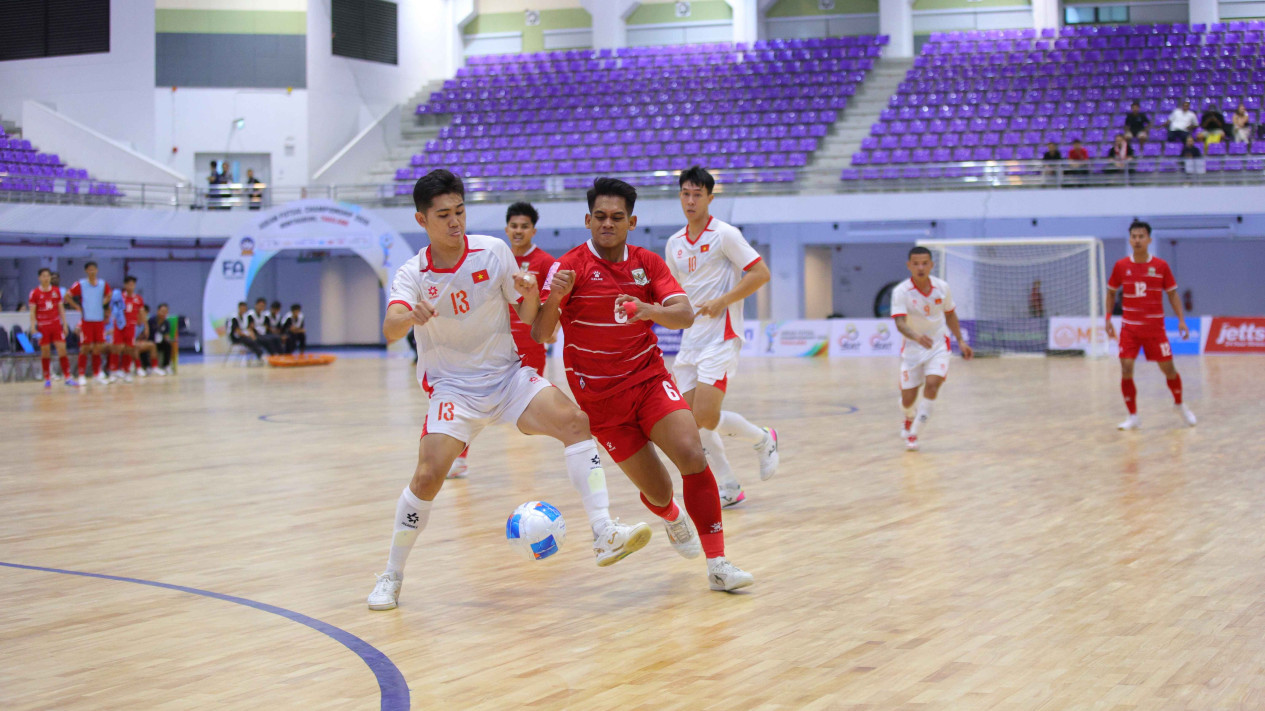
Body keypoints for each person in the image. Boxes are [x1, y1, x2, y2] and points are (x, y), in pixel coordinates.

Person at [367, 169, 652, 611]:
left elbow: (528, 316)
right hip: (453, 390)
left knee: (576, 423)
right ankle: (391, 573)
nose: (455, 222)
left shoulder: (493, 251)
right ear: (422, 220)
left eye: (460, 211)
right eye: (443, 215)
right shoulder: (413, 273)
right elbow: (389, 328)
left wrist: (531, 292)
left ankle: (603, 532)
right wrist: (411, 316)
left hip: (508, 377)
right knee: (427, 477)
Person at [534, 177, 754, 592]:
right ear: (587, 219)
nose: (608, 224)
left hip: (648, 380)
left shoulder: (648, 264)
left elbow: (685, 315)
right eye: (600, 216)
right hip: (600, 403)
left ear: (631, 222)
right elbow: (541, 334)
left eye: (617, 217)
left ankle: (719, 564)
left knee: (692, 452)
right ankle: (672, 516)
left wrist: (646, 309)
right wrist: (554, 301)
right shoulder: (568, 268)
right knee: (659, 489)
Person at [663, 166, 778, 508]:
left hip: (722, 335)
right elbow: (671, 290)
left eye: (698, 194)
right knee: (690, 423)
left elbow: (761, 273)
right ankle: (729, 484)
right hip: (690, 340)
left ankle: (761, 439)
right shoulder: (674, 243)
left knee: (706, 417)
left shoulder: (725, 234)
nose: (691, 200)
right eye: (686, 193)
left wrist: (723, 301)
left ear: (710, 198)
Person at [447, 201, 558, 480]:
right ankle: (459, 459)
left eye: (524, 226)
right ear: (506, 229)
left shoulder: (545, 263)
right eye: (514, 226)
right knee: (474, 404)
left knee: (531, 413)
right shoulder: (494, 257)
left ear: (533, 230)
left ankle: (577, 437)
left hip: (530, 348)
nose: (518, 231)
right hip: (493, 345)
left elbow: (551, 304)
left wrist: (552, 325)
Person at [1105, 221, 1196, 430]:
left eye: (1141, 236)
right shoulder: (1121, 266)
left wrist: (1181, 320)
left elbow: (1172, 294)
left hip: (1155, 330)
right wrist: (1108, 318)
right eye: (1134, 236)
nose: (1137, 240)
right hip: (1130, 329)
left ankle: (1180, 405)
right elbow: (1111, 292)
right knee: (1126, 368)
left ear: (1149, 240)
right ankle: (1133, 416)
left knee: (1169, 369)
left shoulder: (1161, 266)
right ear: (1130, 239)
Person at [891, 246, 974, 451]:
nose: (921, 267)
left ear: (931, 265)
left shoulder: (942, 287)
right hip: (912, 348)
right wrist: (917, 337)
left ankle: (914, 434)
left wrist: (960, 341)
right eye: (916, 263)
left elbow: (950, 315)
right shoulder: (901, 292)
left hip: (938, 345)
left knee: (932, 384)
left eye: (925, 263)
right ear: (909, 265)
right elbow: (900, 324)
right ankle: (909, 417)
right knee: (908, 398)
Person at [28, 267, 77, 388]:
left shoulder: (56, 291)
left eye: (48, 276)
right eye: (43, 276)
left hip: (55, 325)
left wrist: (64, 324)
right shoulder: (34, 293)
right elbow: (32, 312)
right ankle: (47, 378)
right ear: (39, 278)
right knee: (45, 352)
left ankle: (67, 377)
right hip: (43, 326)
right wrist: (33, 327)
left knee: (62, 349)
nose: (46, 278)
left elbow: (61, 309)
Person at [66, 261, 111, 385]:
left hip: (99, 320)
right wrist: (76, 306)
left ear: (97, 270)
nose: (92, 271)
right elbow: (67, 296)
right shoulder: (81, 284)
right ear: (86, 271)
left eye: (94, 269)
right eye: (89, 269)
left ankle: (97, 374)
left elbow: (109, 294)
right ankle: (81, 375)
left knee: (98, 347)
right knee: (85, 347)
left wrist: (103, 302)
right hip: (87, 320)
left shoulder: (102, 284)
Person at [107, 275, 144, 383]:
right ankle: (113, 371)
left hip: (131, 326)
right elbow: (112, 308)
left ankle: (126, 370)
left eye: (133, 284)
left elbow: (141, 312)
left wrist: (142, 323)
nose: (131, 286)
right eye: (129, 284)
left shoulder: (138, 299)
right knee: (116, 347)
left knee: (129, 348)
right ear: (125, 285)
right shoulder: (119, 297)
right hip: (119, 325)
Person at [147, 302, 175, 374]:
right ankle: (148, 367)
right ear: (158, 311)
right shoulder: (151, 321)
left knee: (168, 345)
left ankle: (166, 365)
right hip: (151, 341)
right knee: (148, 346)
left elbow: (166, 335)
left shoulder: (166, 323)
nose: (163, 313)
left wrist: (168, 339)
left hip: (160, 342)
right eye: (162, 311)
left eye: (165, 312)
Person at [133, 304, 161, 376]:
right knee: (134, 347)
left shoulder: (143, 325)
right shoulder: (132, 323)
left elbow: (141, 337)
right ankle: (138, 368)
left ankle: (154, 367)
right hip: (130, 343)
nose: (144, 315)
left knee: (152, 345)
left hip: (137, 342)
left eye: (145, 314)